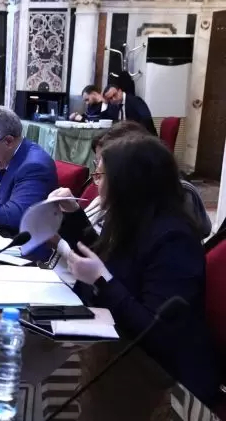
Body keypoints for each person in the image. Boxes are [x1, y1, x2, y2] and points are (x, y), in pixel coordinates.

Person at [50, 134, 223, 417]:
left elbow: (155, 331)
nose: (96, 184)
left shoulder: (174, 240)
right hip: (122, 351)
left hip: (167, 379)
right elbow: (108, 259)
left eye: (101, 175)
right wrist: (72, 215)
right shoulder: (134, 217)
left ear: (127, 183)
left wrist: (101, 280)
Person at [84, 120, 211, 238]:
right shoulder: (117, 194)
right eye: (97, 162)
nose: (97, 173)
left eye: (105, 164)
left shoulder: (174, 196)